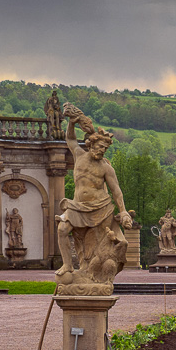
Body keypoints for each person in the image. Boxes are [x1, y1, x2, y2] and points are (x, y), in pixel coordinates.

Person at [55, 104, 132, 287]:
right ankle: (67, 265)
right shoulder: (79, 155)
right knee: (62, 230)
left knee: (97, 247)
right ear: (91, 144)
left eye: (105, 149)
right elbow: (70, 139)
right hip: (78, 206)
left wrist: (124, 212)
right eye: (100, 147)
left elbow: (117, 191)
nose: (102, 151)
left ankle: (93, 276)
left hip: (101, 208)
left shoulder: (106, 168)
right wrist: (72, 124)